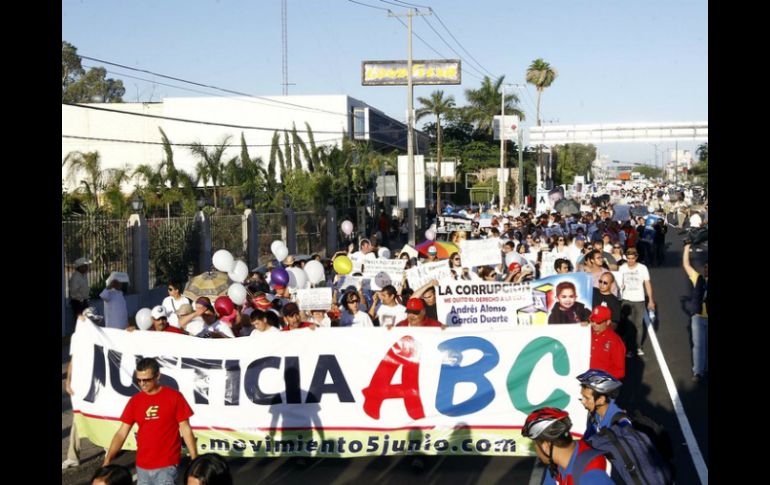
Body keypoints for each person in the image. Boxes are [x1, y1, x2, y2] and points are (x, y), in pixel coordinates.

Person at [104, 357, 197, 485]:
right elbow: (122, 433)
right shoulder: (135, 401)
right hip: (142, 467)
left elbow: (186, 429)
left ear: (157, 376)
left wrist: (194, 458)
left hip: (167, 466)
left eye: (146, 380)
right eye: (139, 380)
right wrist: (108, 459)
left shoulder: (174, 397)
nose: (142, 383)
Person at [521, 407, 612, 485]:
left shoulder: (591, 474)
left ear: (546, 447)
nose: (536, 451)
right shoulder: (557, 464)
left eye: (535, 445)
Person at [617, 247, 656, 356]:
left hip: (639, 299)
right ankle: (630, 348)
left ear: (636, 258)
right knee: (629, 325)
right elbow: (619, 283)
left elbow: (647, 284)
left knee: (638, 325)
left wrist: (651, 300)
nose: (630, 261)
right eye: (628, 258)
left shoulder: (643, 268)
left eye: (632, 259)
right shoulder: (622, 268)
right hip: (626, 299)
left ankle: (638, 346)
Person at [575, 369, 627, 441]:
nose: (583, 401)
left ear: (601, 400)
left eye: (586, 398)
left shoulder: (620, 422)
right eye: (582, 396)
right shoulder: (594, 413)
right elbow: (587, 439)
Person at [683, 243, 708, 382]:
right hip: (698, 317)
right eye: (705, 267)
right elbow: (686, 265)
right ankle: (698, 371)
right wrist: (686, 248)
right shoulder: (698, 278)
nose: (706, 269)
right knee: (698, 346)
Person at [588, 305, 626, 380]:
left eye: (598, 322)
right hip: (586, 379)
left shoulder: (615, 341)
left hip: (603, 384)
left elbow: (620, 371)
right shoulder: (587, 333)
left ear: (608, 322)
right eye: (592, 321)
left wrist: (598, 380)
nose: (594, 324)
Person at [69, 257, 92, 321]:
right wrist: (82, 300)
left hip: (83, 301)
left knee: (86, 321)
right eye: (85, 266)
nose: (87, 267)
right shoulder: (75, 277)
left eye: (87, 266)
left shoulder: (83, 275)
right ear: (80, 267)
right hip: (78, 303)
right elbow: (73, 291)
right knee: (80, 321)